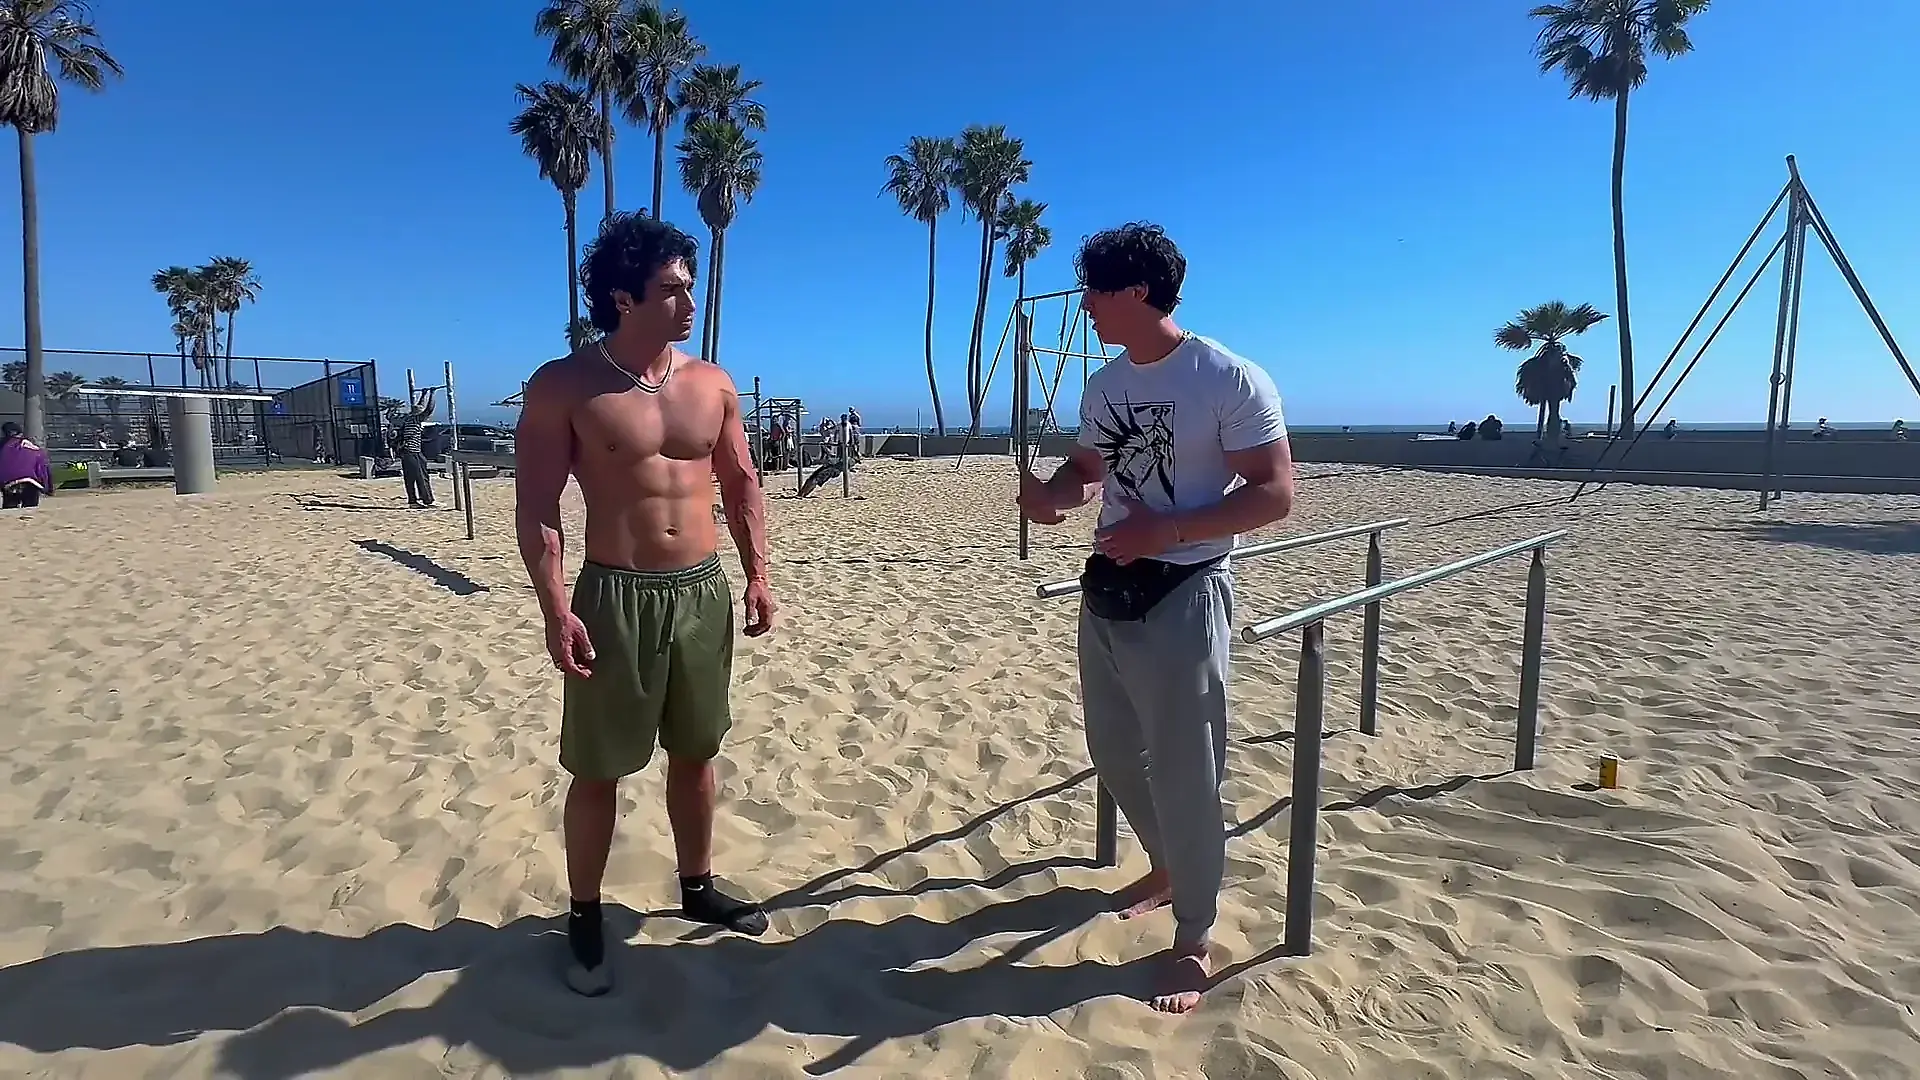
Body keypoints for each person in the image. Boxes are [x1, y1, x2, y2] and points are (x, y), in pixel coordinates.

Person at [1016, 222, 1295, 1014]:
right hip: (1109, 585)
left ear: (1137, 292)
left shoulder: (1227, 378)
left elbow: (1274, 493)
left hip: (1186, 587)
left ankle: (1194, 938)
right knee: (1113, 753)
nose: (1086, 307)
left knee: (1186, 770)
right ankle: (1169, 866)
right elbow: (1088, 469)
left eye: (1095, 292)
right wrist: (1052, 497)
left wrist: (1165, 532)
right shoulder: (1106, 385)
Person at [515, 212, 779, 998]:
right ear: (623, 298)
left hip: (700, 590)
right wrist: (555, 609)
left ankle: (697, 886)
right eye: (671, 290)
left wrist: (758, 574)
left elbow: (741, 483)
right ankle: (585, 913)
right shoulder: (564, 385)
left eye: (689, 287)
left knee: (697, 751)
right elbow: (537, 507)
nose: (688, 303)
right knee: (598, 766)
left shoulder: (712, 383)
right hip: (615, 594)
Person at [391, 390, 436, 507]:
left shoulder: (409, 418)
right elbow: (429, 409)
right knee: (421, 476)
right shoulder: (416, 419)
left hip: (407, 451)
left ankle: (413, 500)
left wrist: (423, 394)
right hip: (412, 451)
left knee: (410, 476)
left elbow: (419, 407)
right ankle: (427, 500)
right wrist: (432, 394)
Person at [1, 422, 52, 509]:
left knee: (10, 507)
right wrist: (49, 488)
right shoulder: (33, 447)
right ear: (21, 433)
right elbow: (43, 467)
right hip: (30, 482)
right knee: (30, 508)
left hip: (9, 483)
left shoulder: (3, 447)